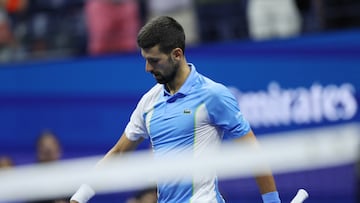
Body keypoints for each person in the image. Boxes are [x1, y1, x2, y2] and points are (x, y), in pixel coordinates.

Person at [70, 16, 281, 203]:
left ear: (177, 54)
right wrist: (79, 197)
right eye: (145, 60)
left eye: (154, 61)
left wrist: (272, 201)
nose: (147, 69)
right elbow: (119, 152)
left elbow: (253, 154)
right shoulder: (148, 102)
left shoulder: (213, 95)